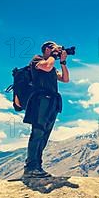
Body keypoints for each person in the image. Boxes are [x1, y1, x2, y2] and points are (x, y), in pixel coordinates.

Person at [22, 41, 70, 177]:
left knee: (45, 134)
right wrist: (53, 56)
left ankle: (37, 166)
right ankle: (30, 167)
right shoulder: (37, 60)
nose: (57, 50)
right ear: (47, 49)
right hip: (40, 100)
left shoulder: (53, 66)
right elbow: (47, 67)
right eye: (54, 48)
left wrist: (63, 62)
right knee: (38, 131)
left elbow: (65, 79)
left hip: (52, 101)